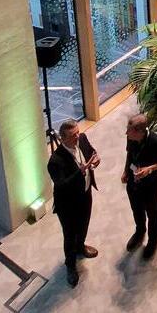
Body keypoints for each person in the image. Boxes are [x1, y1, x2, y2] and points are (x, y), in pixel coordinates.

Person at [47, 120, 100, 287]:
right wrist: (80, 172)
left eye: (77, 132)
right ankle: (70, 265)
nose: (77, 137)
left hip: (85, 193)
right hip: (68, 203)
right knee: (70, 235)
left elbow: (91, 151)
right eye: (72, 135)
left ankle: (81, 247)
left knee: (84, 224)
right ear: (62, 139)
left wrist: (96, 159)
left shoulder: (82, 138)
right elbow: (62, 185)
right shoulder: (55, 161)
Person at [121, 114, 157, 259]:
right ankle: (140, 231)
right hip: (133, 181)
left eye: (129, 130)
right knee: (136, 209)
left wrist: (150, 168)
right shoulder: (131, 138)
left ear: (140, 132)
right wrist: (125, 171)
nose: (126, 133)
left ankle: (153, 241)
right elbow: (129, 154)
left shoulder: (155, 142)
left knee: (153, 214)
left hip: (150, 185)